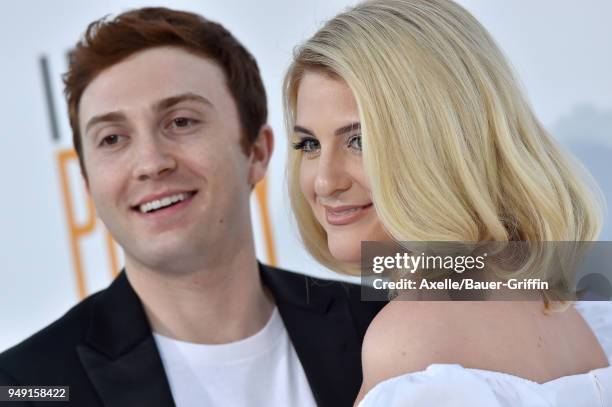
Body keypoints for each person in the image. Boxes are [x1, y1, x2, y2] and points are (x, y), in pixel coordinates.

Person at [0, 7, 384, 407]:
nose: (151, 163)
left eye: (181, 122)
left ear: (256, 151)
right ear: (87, 184)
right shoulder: (26, 387)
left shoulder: (384, 326)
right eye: (112, 139)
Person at [283, 0, 612, 405]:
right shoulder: (572, 314)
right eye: (310, 144)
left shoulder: (411, 340)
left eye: (360, 141)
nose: (325, 180)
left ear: (447, 144)